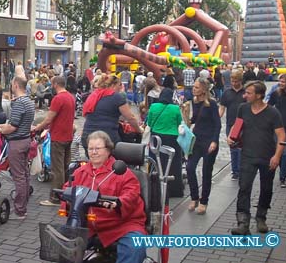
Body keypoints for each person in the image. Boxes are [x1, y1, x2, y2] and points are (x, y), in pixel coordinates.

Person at [66, 131, 147, 263]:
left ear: (108, 150)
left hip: (122, 225)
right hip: (89, 226)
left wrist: (119, 203)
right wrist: (67, 199)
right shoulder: (80, 172)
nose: (93, 152)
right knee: (64, 247)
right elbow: (67, 189)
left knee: (135, 247)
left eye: (97, 148)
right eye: (90, 149)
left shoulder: (122, 172)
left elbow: (131, 194)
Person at [228, 81, 285, 235]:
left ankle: (261, 217)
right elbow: (236, 126)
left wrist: (277, 156)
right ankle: (243, 222)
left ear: (259, 95)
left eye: (249, 93)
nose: (245, 95)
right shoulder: (243, 108)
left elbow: (281, 135)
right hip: (247, 154)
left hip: (267, 156)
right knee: (244, 187)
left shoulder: (273, 113)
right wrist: (230, 137)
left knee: (266, 188)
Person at [0, 76, 34, 219]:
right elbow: (17, 123)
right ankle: (23, 207)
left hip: (17, 143)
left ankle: (20, 210)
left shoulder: (19, 103)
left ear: (16, 85)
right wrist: (0, 126)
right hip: (26, 140)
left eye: (11, 84)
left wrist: (0, 130)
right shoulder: (29, 101)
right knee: (25, 175)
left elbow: (12, 127)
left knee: (19, 177)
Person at [32, 76, 75, 206]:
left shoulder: (58, 99)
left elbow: (48, 119)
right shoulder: (71, 97)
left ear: (56, 84)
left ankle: (55, 198)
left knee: (57, 169)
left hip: (58, 137)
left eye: (52, 84)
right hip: (68, 136)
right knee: (65, 167)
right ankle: (66, 194)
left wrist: (37, 127)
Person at [183, 78, 221, 214]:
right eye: (194, 86)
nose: (194, 89)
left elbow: (218, 124)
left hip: (209, 141)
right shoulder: (194, 102)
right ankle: (194, 197)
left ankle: (204, 201)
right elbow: (196, 119)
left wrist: (215, 141)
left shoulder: (211, 104)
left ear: (204, 90)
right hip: (197, 140)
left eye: (197, 87)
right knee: (190, 167)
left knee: (206, 172)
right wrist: (186, 117)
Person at [82, 75, 142, 153]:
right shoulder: (117, 97)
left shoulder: (93, 95)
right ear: (113, 85)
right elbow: (130, 117)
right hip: (107, 137)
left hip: (87, 136)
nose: (120, 88)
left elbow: (88, 115)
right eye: (119, 85)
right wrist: (138, 130)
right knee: (116, 160)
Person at [146, 87, 184, 198]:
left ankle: (155, 187)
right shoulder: (175, 108)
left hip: (157, 138)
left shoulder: (154, 106)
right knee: (173, 163)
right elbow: (179, 123)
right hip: (172, 138)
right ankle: (174, 189)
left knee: (156, 162)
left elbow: (150, 122)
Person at [219, 70, 245, 180]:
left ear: (240, 80)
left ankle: (241, 169)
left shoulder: (245, 93)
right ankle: (235, 171)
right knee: (233, 147)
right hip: (231, 123)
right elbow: (222, 107)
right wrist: (217, 117)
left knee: (242, 148)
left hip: (243, 123)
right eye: (232, 81)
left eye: (236, 81)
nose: (234, 83)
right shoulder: (227, 93)